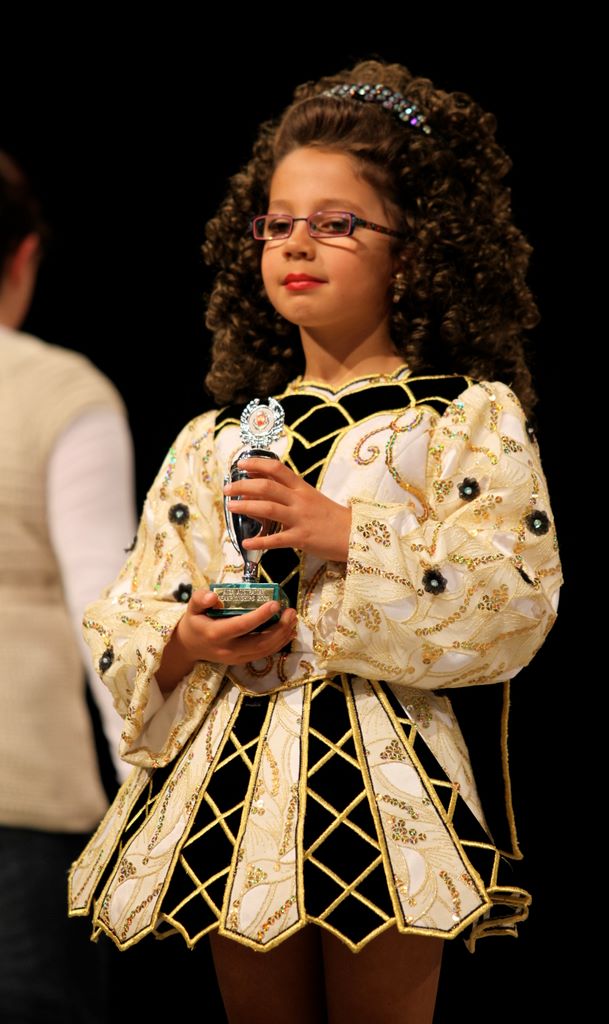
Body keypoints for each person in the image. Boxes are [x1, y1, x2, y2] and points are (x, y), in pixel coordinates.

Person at [69, 60, 562, 1024]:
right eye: (279, 223)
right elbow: (134, 603)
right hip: (233, 775)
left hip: (383, 774)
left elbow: (515, 596)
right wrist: (186, 640)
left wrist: (349, 534)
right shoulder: (213, 438)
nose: (297, 243)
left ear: (415, 250)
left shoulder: (461, 416)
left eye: (337, 224)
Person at [0, 151, 136, 1022]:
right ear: (23, 256)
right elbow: (106, 611)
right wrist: (152, 801)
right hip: (19, 801)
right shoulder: (59, 390)